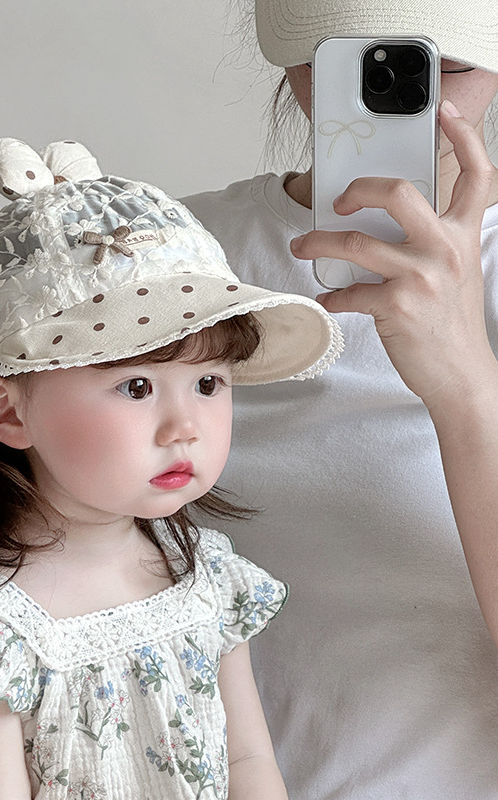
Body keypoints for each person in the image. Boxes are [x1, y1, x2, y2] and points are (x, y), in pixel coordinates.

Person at [0, 137, 343, 800]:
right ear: (7, 412)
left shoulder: (203, 577)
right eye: (137, 387)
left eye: (208, 383)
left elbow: (247, 761)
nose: (185, 426)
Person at [183, 1, 498, 797]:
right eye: (344, 56)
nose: (409, 92)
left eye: (449, 65)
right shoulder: (173, 256)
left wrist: (464, 381)